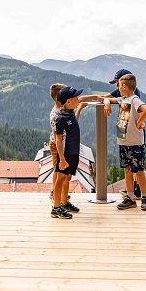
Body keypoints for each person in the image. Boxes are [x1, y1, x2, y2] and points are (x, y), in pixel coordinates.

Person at [104, 74, 146, 211]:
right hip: (123, 141)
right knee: (127, 170)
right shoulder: (123, 99)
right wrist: (106, 102)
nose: (118, 88)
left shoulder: (134, 99)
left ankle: (144, 197)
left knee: (139, 170)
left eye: (119, 85)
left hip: (134, 142)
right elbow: (106, 98)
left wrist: (139, 122)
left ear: (124, 86)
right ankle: (130, 197)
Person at [52, 86, 85, 219]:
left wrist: (80, 107)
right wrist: (62, 159)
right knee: (60, 179)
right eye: (76, 97)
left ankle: (64, 202)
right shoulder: (60, 118)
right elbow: (58, 140)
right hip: (65, 154)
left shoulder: (70, 113)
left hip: (73, 152)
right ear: (68, 101)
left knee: (67, 178)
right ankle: (56, 208)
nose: (78, 99)